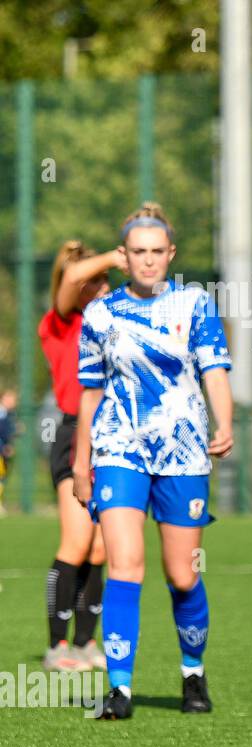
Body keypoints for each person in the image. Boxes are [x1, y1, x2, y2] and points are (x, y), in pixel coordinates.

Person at [73, 202, 233, 720]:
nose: (147, 261)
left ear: (171, 255)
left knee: (183, 574)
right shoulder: (100, 314)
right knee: (124, 564)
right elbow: (90, 396)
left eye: (156, 252)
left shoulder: (194, 305)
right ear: (122, 256)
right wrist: (81, 463)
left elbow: (213, 371)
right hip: (118, 447)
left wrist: (224, 421)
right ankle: (119, 688)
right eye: (137, 252)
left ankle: (192, 673)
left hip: (183, 450)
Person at [39, 241, 117, 672]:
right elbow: (69, 279)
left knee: (102, 546)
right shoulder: (61, 322)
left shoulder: (112, 322)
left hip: (111, 435)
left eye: (104, 279)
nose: (102, 285)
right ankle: (56, 646)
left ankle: (86, 642)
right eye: (93, 280)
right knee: (77, 539)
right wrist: (113, 256)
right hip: (73, 435)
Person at [0, 389, 15, 515]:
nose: (13, 402)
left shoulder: (8, 414)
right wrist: (4, 447)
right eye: (10, 399)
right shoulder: (2, 414)